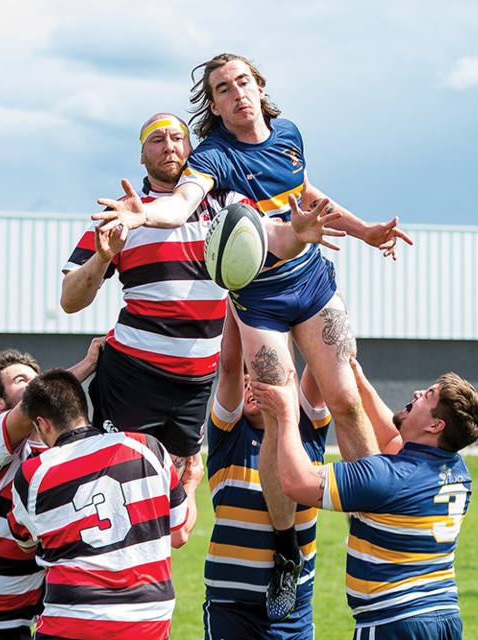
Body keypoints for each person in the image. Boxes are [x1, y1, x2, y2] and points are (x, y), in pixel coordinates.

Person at [93, 53, 412, 620]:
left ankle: (375, 522)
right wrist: (144, 215)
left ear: (259, 87)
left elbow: (312, 196)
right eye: (222, 88)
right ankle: (287, 549)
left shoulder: (289, 134)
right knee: (281, 414)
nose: (236, 92)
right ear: (212, 105)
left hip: (313, 284)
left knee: (343, 400)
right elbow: (184, 201)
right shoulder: (214, 156)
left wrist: (364, 231)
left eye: (243, 81)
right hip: (259, 302)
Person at [62, 112, 258, 488]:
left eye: (176, 138)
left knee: (178, 494)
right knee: (117, 487)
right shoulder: (119, 214)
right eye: (156, 139)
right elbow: (70, 300)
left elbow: (274, 243)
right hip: (133, 377)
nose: (168, 146)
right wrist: (103, 257)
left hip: (196, 383)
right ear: (141, 156)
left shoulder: (228, 207)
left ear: (191, 147)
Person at [252, 364, 478, 638]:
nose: (417, 393)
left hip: (395, 622)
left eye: (428, 396)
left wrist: (285, 415)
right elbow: (391, 438)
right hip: (445, 618)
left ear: (435, 425)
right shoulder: (458, 471)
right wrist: (358, 380)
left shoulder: (388, 477)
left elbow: (296, 482)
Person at [8, 368, 195, 640]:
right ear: (81, 408)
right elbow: (180, 533)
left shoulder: (32, 473)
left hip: (72, 623)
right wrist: (191, 481)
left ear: (42, 424)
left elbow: (24, 542)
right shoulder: (147, 447)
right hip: (146, 623)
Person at [0, 339, 102, 640]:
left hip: (25, 622)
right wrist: (89, 363)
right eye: (22, 380)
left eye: (37, 378)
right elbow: (34, 404)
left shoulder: (57, 455)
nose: (37, 385)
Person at [202, 312, 330, 636]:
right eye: (246, 383)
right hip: (231, 609)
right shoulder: (229, 438)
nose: (252, 387)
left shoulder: (306, 432)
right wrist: (238, 294)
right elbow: (230, 365)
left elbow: (320, 363)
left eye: (258, 380)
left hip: (294, 612)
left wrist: (294, 293)